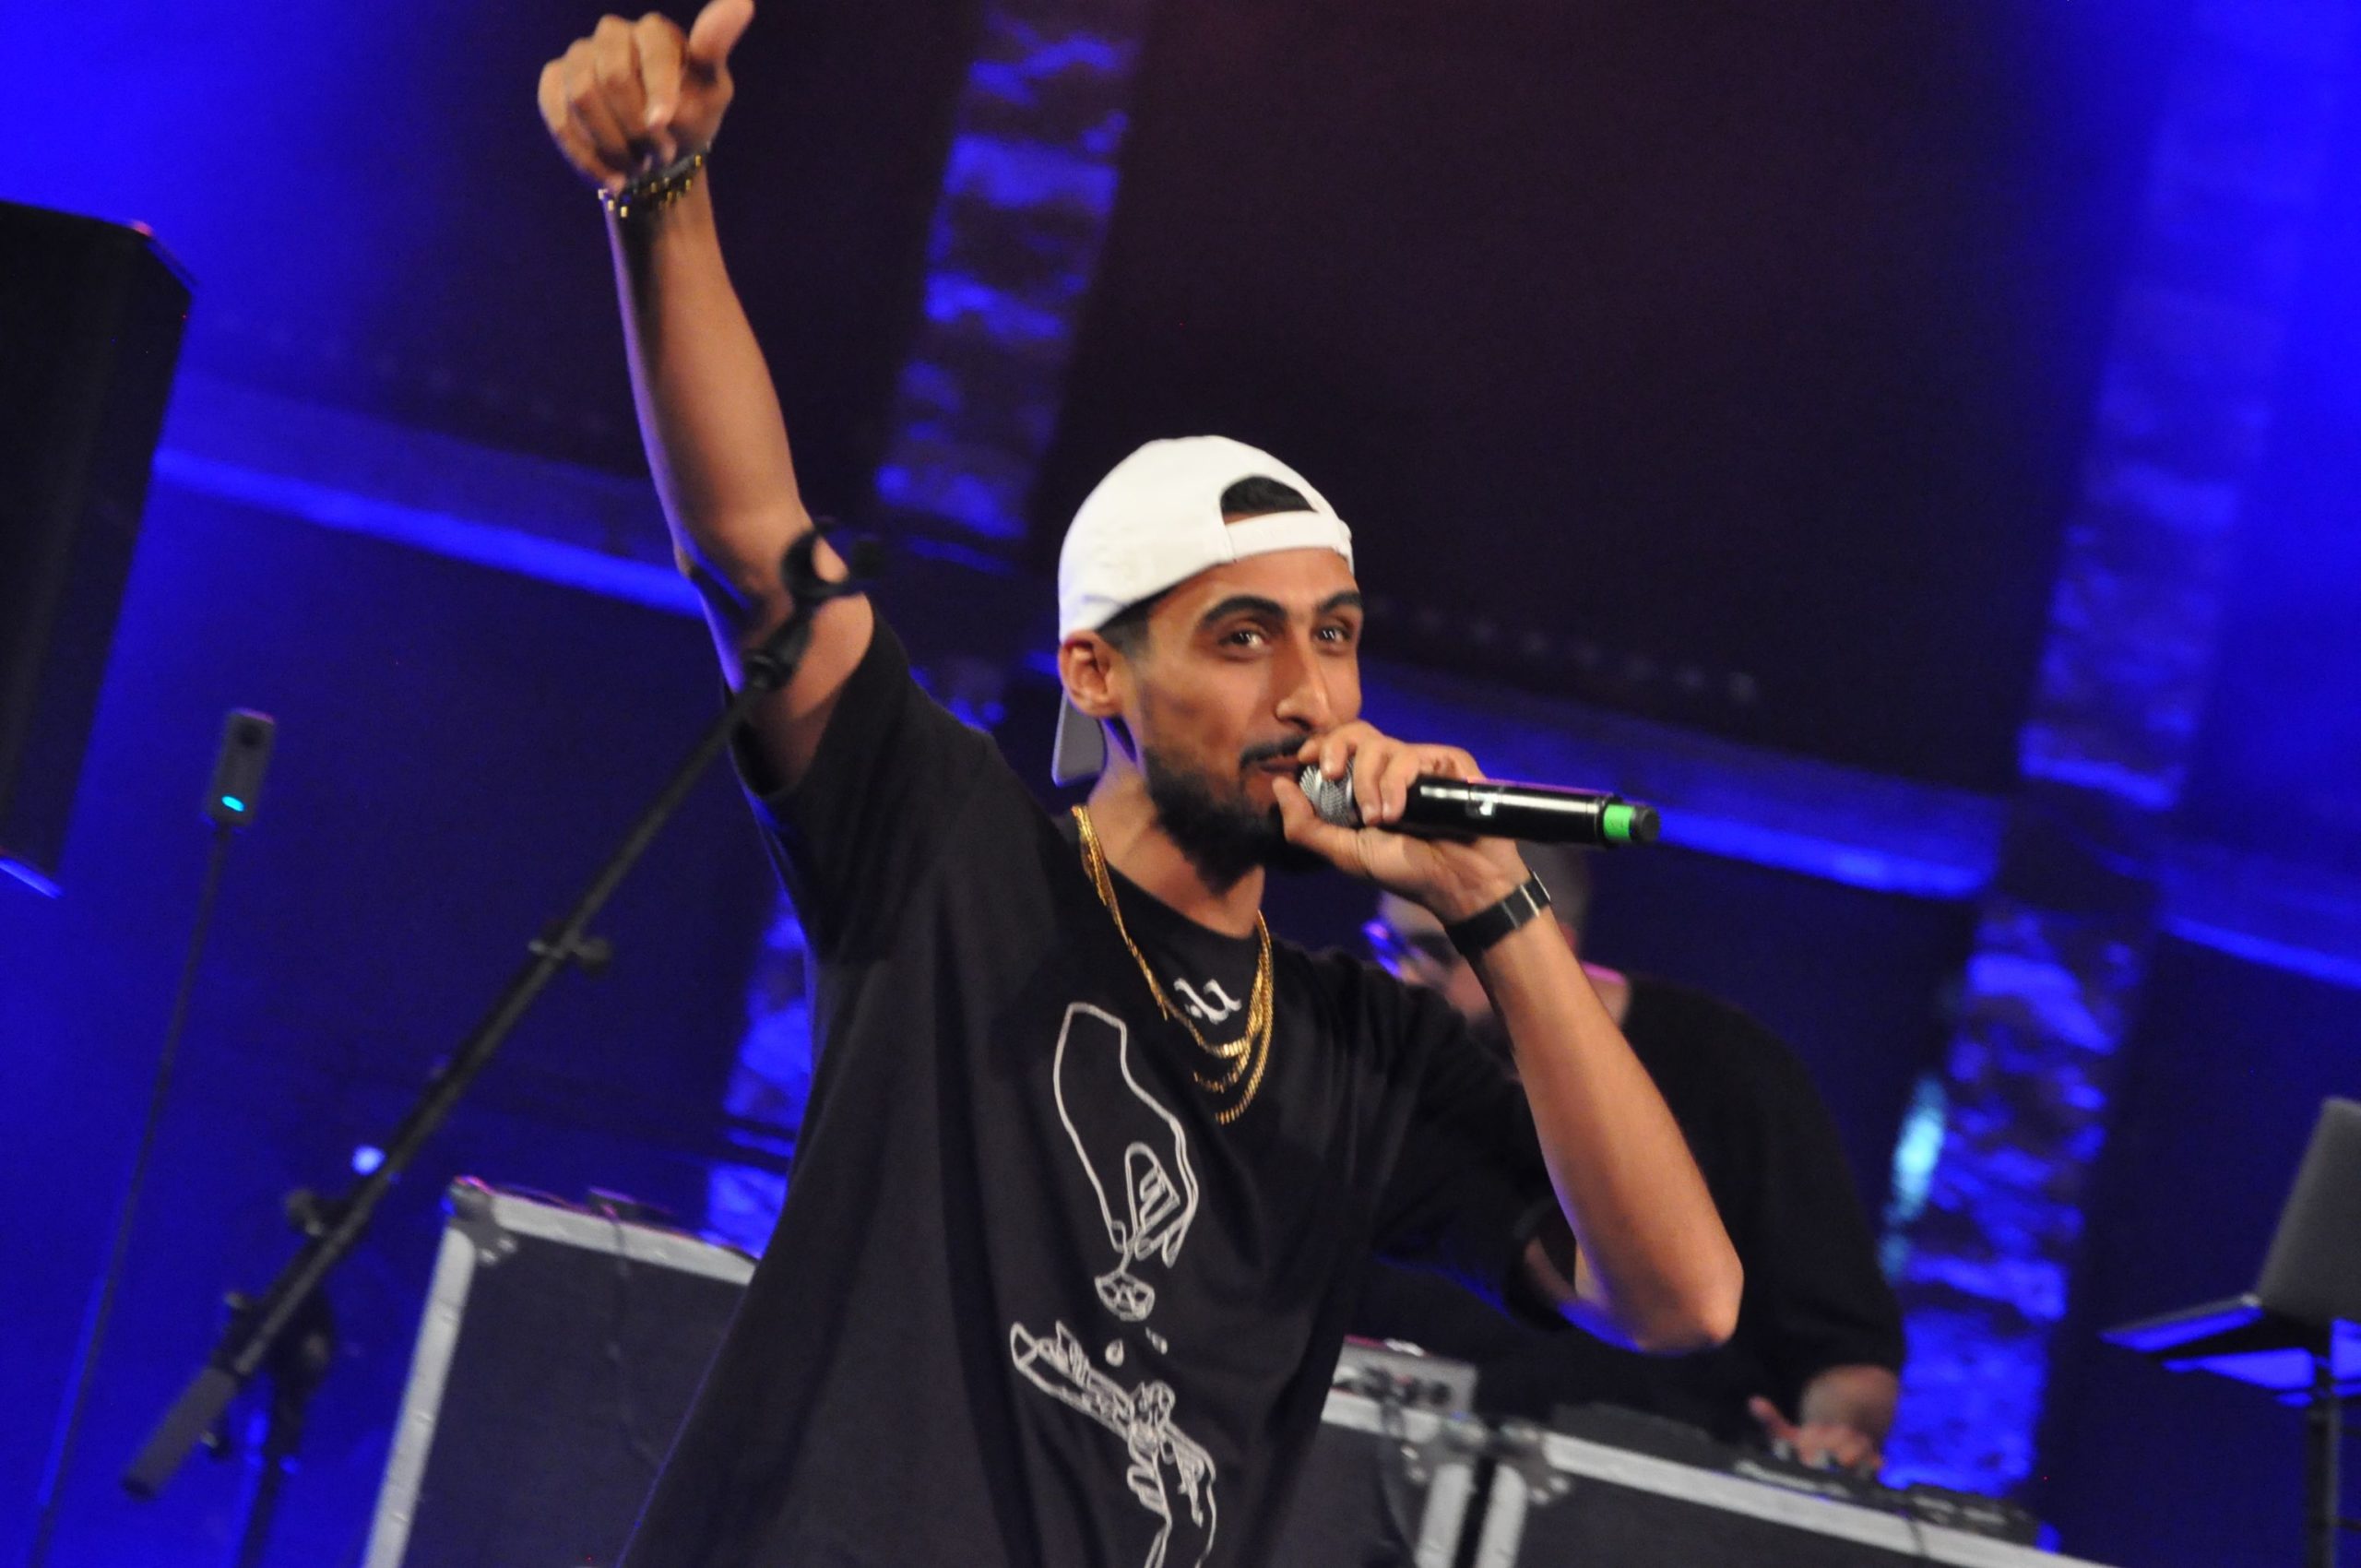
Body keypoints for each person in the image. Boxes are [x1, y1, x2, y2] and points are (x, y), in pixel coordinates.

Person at [536, 6, 1741, 1564]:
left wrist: (1492, 903)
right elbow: (759, 558)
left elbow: (1679, 1297)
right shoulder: (951, 848)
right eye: (1244, 639)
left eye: (1334, 636)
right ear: (1097, 673)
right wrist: (661, 194)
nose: (1309, 693)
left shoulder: (1367, 1055)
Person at [1359, 844, 1904, 1473]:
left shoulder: (1731, 1070)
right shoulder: (1386, 1058)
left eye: (1434, 952)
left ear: (1543, 943)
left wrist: (1832, 1441)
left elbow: (1847, 1354)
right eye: (1388, 947)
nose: (1404, 981)